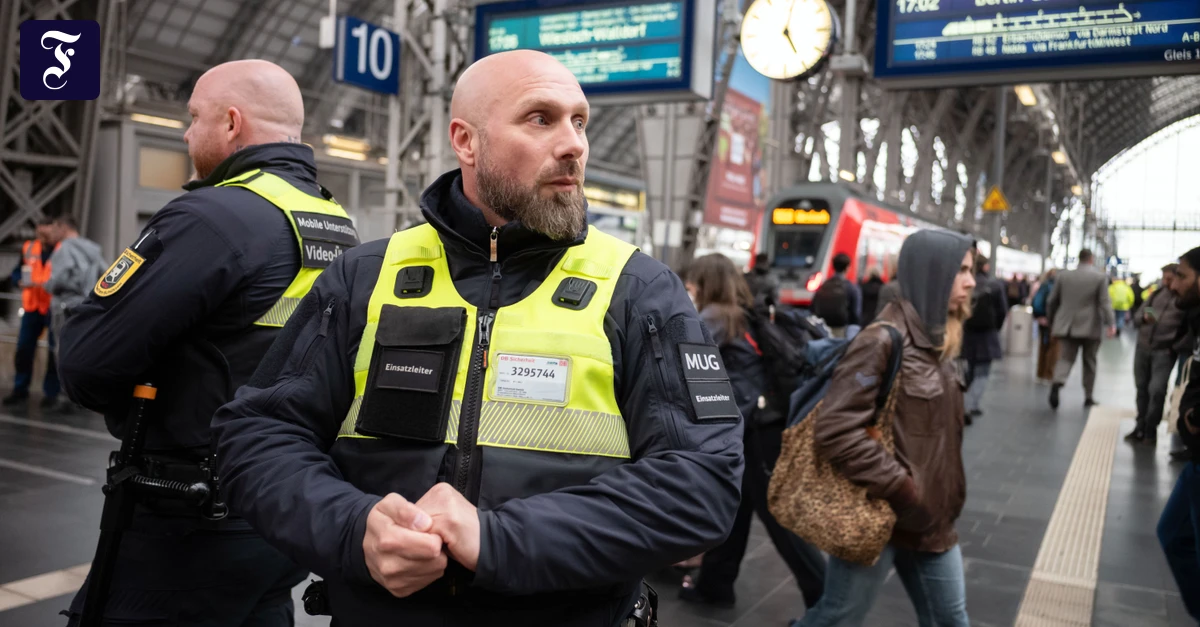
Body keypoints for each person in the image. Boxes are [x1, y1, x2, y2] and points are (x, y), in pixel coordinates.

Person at [210, 50, 743, 627]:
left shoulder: (638, 290)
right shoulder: (367, 276)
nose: (573, 145)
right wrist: (353, 528)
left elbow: (702, 480)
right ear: (466, 141)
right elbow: (257, 434)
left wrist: (498, 540)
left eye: (579, 121)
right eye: (541, 119)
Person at [57, 59, 357, 625]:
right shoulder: (333, 222)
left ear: (232, 123)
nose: (187, 133)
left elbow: (84, 362)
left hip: (187, 519)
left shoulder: (213, 217)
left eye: (194, 117)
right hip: (280, 511)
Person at [789, 230, 976, 627]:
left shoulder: (940, 339)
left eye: (971, 271)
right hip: (884, 514)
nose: (971, 281)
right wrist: (902, 488)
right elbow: (837, 429)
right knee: (838, 616)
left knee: (951, 620)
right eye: (961, 271)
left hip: (933, 522)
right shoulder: (883, 340)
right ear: (932, 273)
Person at [679, 254, 825, 610]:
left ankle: (825, 602)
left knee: (780, 520)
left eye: (693, 284)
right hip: (758, 427)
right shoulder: (740, 314)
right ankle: (715, 585)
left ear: (706, 283)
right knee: (736, 507)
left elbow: (677, 361)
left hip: (758, 432)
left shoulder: (713, 317)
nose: (689, 290)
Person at [1158, 246, 1200, 622]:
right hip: (1196, 458)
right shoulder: (1193, 313)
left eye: (1182, 276)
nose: (1174, 283)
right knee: (1172, 534)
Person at [1047, 248, 1116, 409]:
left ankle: (1057, 382)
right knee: (1090, 361)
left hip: (1067, 326)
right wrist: (1111, 323)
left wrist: (1053, 322)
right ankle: (1088, 396)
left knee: (1065, 358)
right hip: (1090, 327)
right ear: (1091, 259)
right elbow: (1104, 303)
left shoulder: (1063, 275)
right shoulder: (1099, 277)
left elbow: (1052, 301)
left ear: (1079, 258)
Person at [5, 216, 61, 408]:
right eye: (41, 230)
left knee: (54, 352)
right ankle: (20, 389)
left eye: (48, 230)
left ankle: (51, 394)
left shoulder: (64, 249)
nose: (44, 234)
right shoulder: (29, 247)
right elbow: (17, 271)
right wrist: (17, 280)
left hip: (53, 307)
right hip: (32, 307)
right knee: (24, 349)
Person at [1127, 263, 1184, 443]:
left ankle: (1151, 428)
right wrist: (1143, 318)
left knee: (1157, 390)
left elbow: (1189, 330)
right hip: (1143, 347)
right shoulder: (1155, 295)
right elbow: (1137, 317)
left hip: (1164, 352)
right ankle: (1140, 426)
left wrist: (1174, 346)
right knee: (1141, 387)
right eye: (1164, 278)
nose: (1166, 283)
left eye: (1169, 279)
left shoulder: (1184, 300)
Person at [44, 216, 107, 363]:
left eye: (55, 229)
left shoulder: (63, 249)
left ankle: (65, 386)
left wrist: (47, 285)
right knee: (84, 348)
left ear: (63, 228)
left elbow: (59, 280)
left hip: (65, 307)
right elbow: (106, 274)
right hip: (86, 306)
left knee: (63, 350)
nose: (52, 234)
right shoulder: (93, 249)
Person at [962, 255, 1008, 423]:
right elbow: (1003, 311)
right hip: (987, 336)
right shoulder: (995, 285)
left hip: (966, 334)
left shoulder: (965, 284)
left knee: (968, 371)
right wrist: (996, 327)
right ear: (986, 267)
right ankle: (970, 405)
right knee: (983, 372)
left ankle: (966, 403)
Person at [812, 252, 862, 337]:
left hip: (823, 330)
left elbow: (813, 308)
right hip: (842, 330)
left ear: (833, 267)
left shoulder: (824, 286)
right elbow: (856, 314)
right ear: (847, 268)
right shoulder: (852, 288)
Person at [1032, 269, 1059, 383]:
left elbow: (1036, 302)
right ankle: (1049, 374)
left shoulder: (1044, 285)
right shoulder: (1055, 287)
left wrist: (1039, 316)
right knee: (1054, 348)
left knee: (1043, 346)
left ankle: (1040, 373)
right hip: (1053, 321)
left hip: (1043, 320)